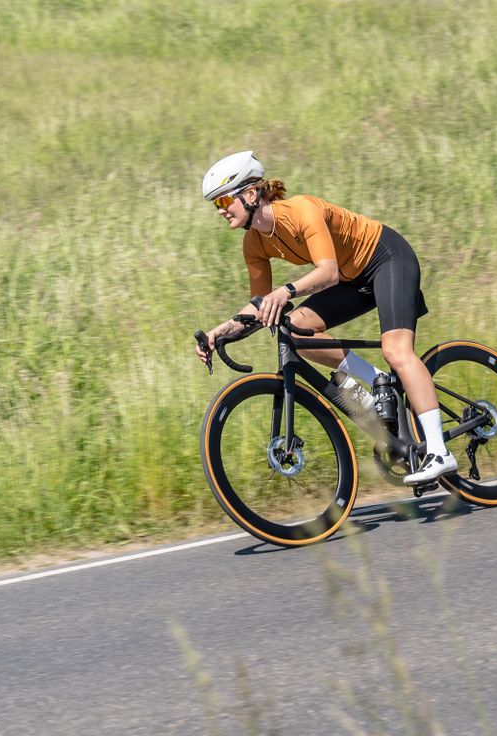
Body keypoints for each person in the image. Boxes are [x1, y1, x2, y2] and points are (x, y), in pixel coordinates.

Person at [195, 150, 459, 485]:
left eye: (223, 201)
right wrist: (221, 332)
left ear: (249, 194)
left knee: (396, 349)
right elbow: (260, 306)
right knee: (297, 329)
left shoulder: (302, 210)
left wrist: (286, 291)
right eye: (216, 206)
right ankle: (378, 381)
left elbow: (328, 272)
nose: (220, 211)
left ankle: (439, 451)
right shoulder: (254, 244)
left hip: (386, 259)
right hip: (352, 280)